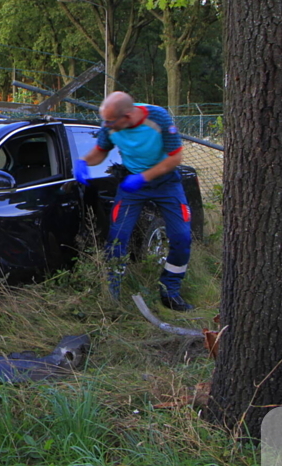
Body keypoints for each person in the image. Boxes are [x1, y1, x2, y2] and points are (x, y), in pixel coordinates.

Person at [73, 92, 193, 310]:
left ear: (128, 116)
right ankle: (112, 295)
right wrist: (83, 162)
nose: (106, 126)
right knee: (117, 239)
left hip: (166, 183)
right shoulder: (110, 125)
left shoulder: (159, 119)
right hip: (131, 186)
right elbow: (100, 150)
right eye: (105, 121)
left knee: (182, 238)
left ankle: (170, 292)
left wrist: (144, 177)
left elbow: (175, 157)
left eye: (110, 121)